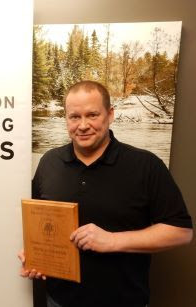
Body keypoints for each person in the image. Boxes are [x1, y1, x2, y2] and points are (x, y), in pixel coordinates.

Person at [19, 80, 193, 307]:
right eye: (74, 117)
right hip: (58, 301)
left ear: (110, 115)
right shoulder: (49, 162)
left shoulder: (146, 165)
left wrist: (112, 240)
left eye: (92, 115)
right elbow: (37, 221)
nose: (82, 125)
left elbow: (181, 232)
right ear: (66, 119)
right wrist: (35, 255)